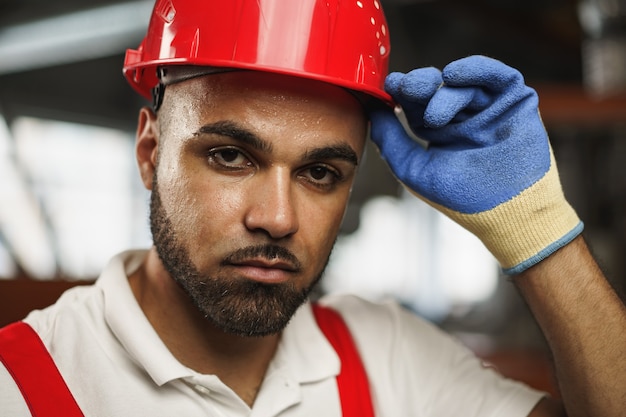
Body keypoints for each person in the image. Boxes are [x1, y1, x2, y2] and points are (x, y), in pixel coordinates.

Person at [1, 0, 624, 416]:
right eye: (230, 157)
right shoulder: (21, 384)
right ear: (150, 152)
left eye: (320, 172)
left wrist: (536, 224)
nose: (277, 217)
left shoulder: (385, 357)